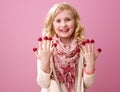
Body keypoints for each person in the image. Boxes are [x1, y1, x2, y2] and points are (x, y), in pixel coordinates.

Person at [33, 2, 102, 92]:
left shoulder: (82, 48)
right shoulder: (46, 48)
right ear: (52, 24)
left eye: (68, 19)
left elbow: (87, 84)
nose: (63, 25)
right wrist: (45, 62)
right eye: (58, 21)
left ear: (75, 22)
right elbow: (43, 84)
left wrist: (90, 64)